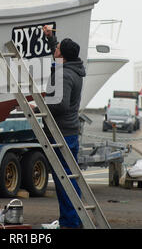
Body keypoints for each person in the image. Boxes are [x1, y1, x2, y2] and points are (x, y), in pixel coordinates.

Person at [36, 25, 86, 229]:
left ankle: (70, 223)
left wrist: (39, 104)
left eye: (57, 51)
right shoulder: (73, 68)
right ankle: (74, 219)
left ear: (62, 57)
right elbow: (58, 51)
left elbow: (60, 104)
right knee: (69, 179)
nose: (54, 52)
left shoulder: (64, 75)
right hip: (70, 132)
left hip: (61, 133)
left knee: (64, 180)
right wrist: (51, 37)